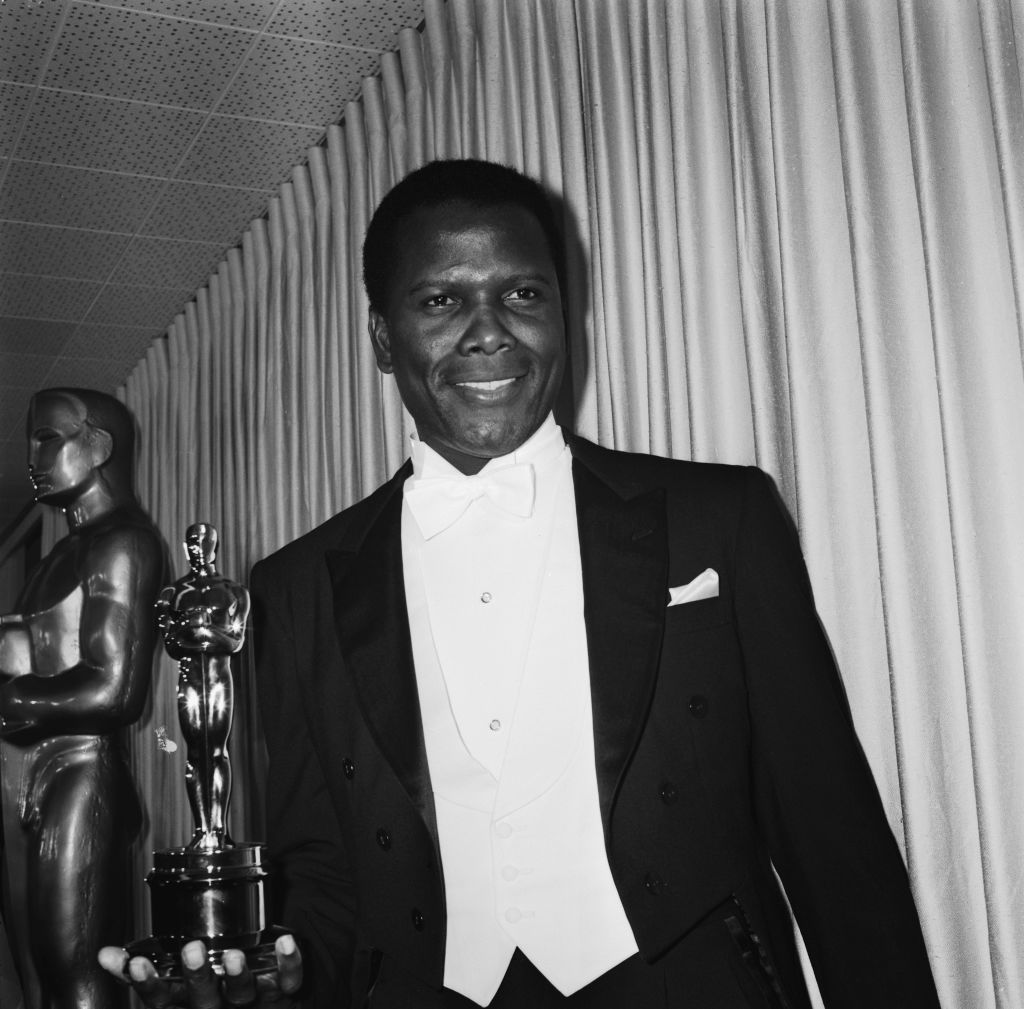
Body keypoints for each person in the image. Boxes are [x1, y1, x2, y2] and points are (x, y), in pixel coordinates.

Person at [101, 160, 940, 1008]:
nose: (490, 330)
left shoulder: (721, 517)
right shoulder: (296, 588)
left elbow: (834, 840)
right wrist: (272, 976)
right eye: (440, 301)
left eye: (523, 295)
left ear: (563, 315)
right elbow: (324, 873)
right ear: (382, 337)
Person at [1, 387, 164, 1009]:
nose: (32, 456)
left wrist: (17, 698)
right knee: (33, 974)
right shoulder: (58, 555)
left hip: (79, 770)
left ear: (97, 446)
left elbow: (115, 687)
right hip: (23, 767)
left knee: (75, 970)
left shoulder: (123, 542)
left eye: (48, 438)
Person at [157, 522, 249, 851]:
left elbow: (235, 641)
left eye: (202, 542)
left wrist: (199, 630)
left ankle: (219, 831)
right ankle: (200, 830)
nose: (196, 548)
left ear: (214, 546)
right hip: (190, 680)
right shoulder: (175, 593)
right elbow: (171, 645)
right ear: (185, 548)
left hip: (219, 678)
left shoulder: (234, 590)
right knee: (195, 755)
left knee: (217, 752)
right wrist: (204, 633)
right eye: (191, 543)